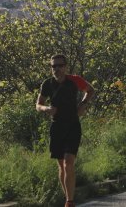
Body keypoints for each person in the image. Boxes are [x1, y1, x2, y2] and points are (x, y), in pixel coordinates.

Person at [36, 54, 95, 207]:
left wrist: (83, 104)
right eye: (53, 66)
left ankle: (70, 202)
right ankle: (68, 198)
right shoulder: (47, 84)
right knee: (61, 165)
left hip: (73, 125)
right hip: (57, 127)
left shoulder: (75, 80)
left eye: (59, 65)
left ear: (65, 66)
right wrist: (46, 109)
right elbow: (38, 104)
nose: (56, 69)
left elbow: (90, 90)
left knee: (69, 162)